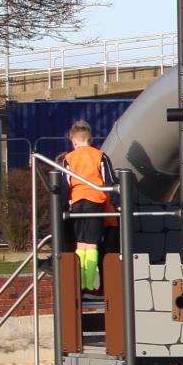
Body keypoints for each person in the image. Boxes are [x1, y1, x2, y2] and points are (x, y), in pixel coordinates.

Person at [62, 120, 116, 292]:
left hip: (77, 201)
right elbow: (110, 181)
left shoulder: (68, 158)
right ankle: (91, 282)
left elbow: (65, 183)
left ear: (74, 141)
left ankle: (80, 281)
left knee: (80, 243)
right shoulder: (100, 155)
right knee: (92, 243)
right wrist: (116, 203)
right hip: (95, 200)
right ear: (89, 139)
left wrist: (65, 204)